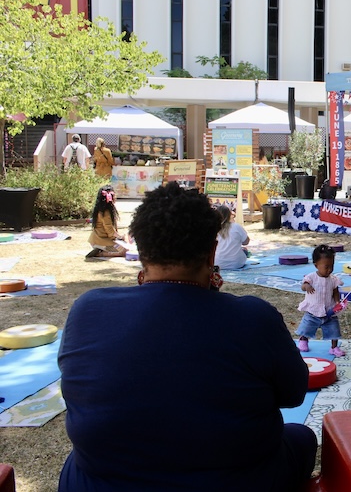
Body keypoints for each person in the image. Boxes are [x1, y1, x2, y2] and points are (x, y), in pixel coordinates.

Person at [58, 182, 317, 491]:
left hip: (100, 482)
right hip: (240, 479)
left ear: (140, 250)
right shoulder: (253, 317)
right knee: (301, 437)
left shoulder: (87, 309)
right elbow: (293, 394)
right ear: (212, 251)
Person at [296, 244, 347, 357]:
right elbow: (303, 285)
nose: (329, 270)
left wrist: (337, 302)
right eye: (326, 267)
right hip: (313, 311)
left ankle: (334, 347)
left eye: (332, 266)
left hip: (329, 311)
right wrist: (307, 286)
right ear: (316, 265)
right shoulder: (311, 277)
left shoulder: (333, 279)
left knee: (334, 330)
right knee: (307, 327)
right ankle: (303, 340)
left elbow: (335, 291)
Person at [85, 185, 128, 259]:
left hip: (98, 240)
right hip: (101, 241)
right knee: (125, 251)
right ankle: (100, 253)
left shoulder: (100, 210)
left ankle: (100, 250)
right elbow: (110, 231)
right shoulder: (105, 212)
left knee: (125, 245)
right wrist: (121, 237)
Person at [214, 205, 250, 270]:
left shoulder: (213, 228)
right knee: (245, 250)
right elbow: (246, 242)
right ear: (229, 215)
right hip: (236, 264)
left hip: (217, 263)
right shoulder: (236, 227)